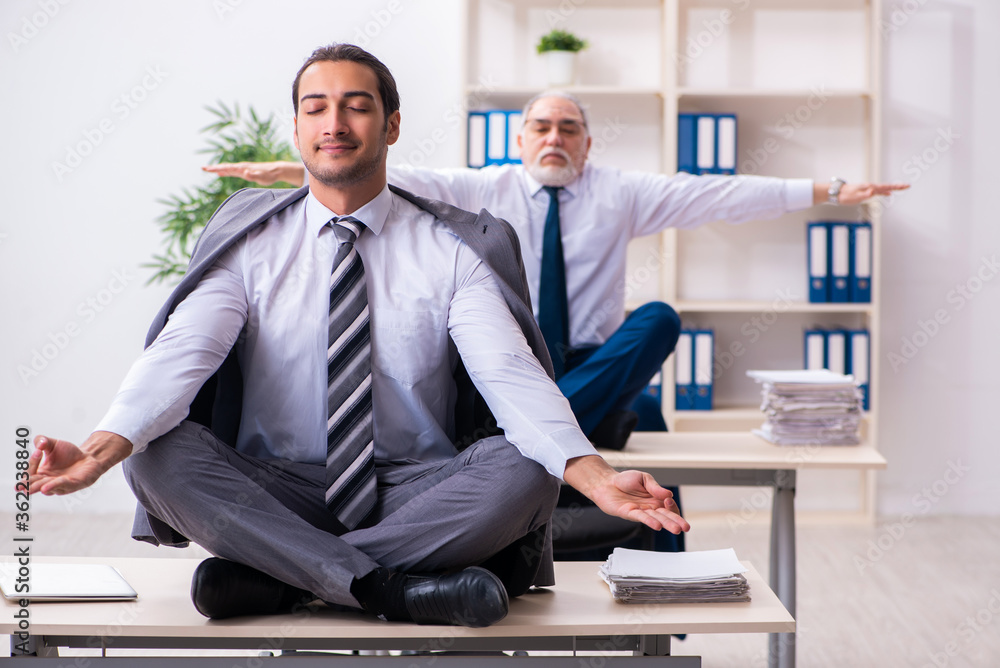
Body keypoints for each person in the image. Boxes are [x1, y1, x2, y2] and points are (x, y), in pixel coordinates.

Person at [28, 44, 689, 628]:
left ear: (392, 124)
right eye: (315, 107)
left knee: (526, 470)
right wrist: (97, 450)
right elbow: (182, 351)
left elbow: (509, 372)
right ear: (296, 128)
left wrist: (595, 475)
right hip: (277, 486)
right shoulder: (252, 243)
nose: (334, 124)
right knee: (153, 456)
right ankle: (390, 589)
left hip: (416, 489)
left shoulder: (451, 245)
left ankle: (280, 579)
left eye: (356, 106)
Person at [206, 97, 908, 453]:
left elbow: (717, 193)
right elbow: (395, 175)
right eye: (540, 126)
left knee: (660, 318)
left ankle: (544, 427)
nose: (553, 138)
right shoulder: (486, 187)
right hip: (511, 361)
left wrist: (833, 189)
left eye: (568, 128)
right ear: (520, 141)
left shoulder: (621, 192)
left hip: (591, 360)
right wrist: (297, 172)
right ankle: (548, 419)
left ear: (587, 143)